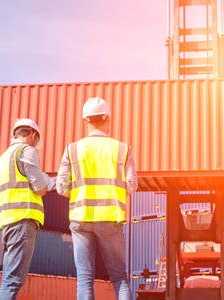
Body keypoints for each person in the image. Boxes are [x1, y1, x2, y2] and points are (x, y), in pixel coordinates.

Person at [56, 97, 138, 300]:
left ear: (85, 122)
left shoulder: (72, 149)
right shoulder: (122, 148)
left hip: (81, 218)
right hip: (110, 218)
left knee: (84, 278)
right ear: (108, 119)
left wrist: (79, 195)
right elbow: (131, 185)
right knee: (119, 277)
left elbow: (60, 187)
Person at [0, 118, 49, 300]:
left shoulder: (1, 159)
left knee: (8, 279)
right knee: (13, 281)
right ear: (33, 134)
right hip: (23, 222)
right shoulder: (27, 151)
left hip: (7, 224)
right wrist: (47, 179)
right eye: (36, 140)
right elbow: (40, 188)